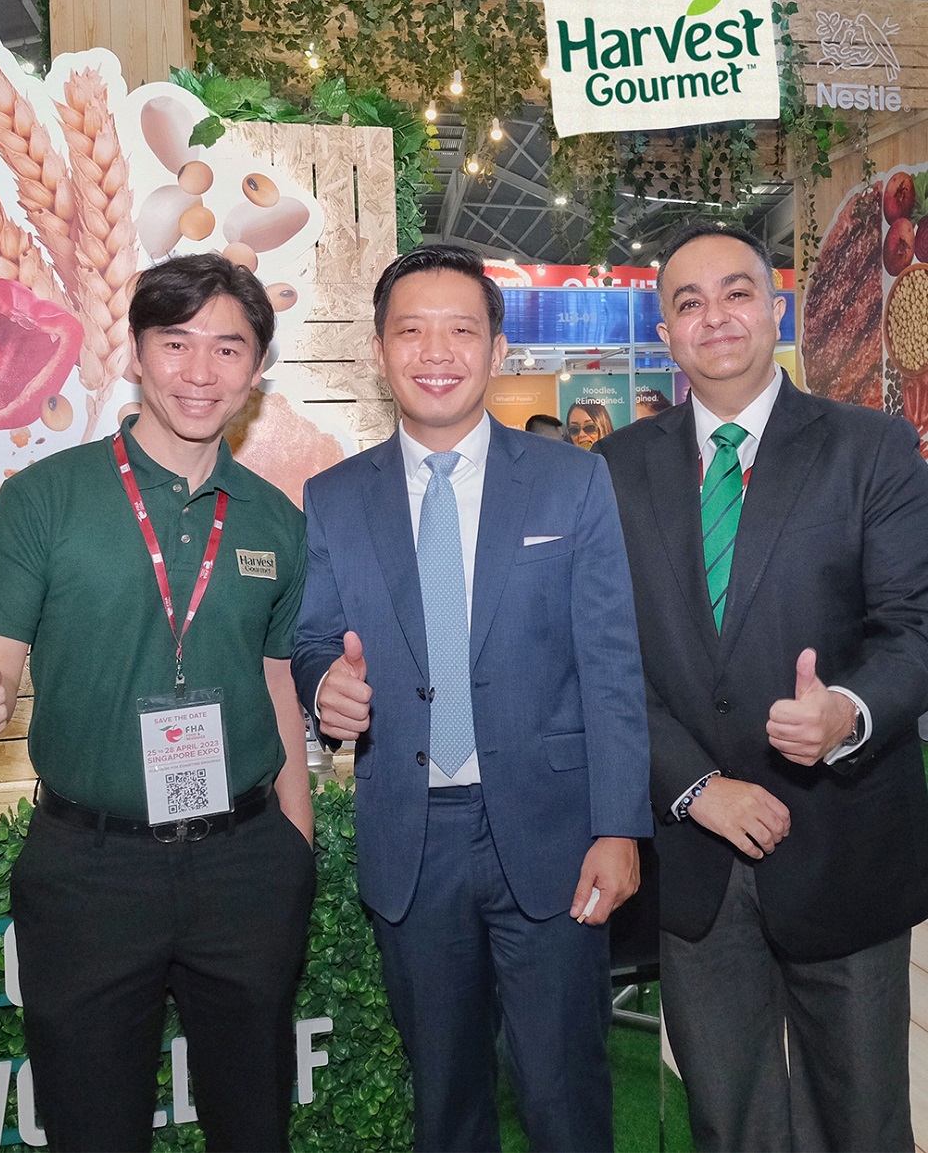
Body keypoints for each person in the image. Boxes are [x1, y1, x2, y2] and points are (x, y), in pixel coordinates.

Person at [0, 254, 316, 1153]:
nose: (200, 370)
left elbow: (276, 683)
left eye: (229, 348)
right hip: (91, 869)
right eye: (175, 342)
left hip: (245, 863)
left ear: (256, 369)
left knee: (253, 1123)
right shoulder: (45, 498)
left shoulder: (274, 520)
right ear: (137, 353)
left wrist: (293, 848)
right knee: (93, 1125)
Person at [292, 244, 651, 1153]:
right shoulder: (334, 498)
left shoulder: (573, 481)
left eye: (461, 330)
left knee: (565, 1094)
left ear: (496, 350)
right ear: (381, 350)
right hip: (413, 836)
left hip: (555, 832)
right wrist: (322, 685)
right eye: (411, 330)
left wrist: (620, 827)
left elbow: (610, 661)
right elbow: (309, 640)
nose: (436, 350)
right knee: (445, 1101)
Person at [595, 221, 928, 1153]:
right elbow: (607, 661)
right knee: (730, 1121)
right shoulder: (617, 470)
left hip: (844, 841)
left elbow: (915, 627)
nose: (715, 317)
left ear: (774, 308)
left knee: (861, 1120)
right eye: (688, 302)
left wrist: (848, 712)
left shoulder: (873, 447)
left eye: (736, 292)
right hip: (698, 867)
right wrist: (697, 787)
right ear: (664, 330)